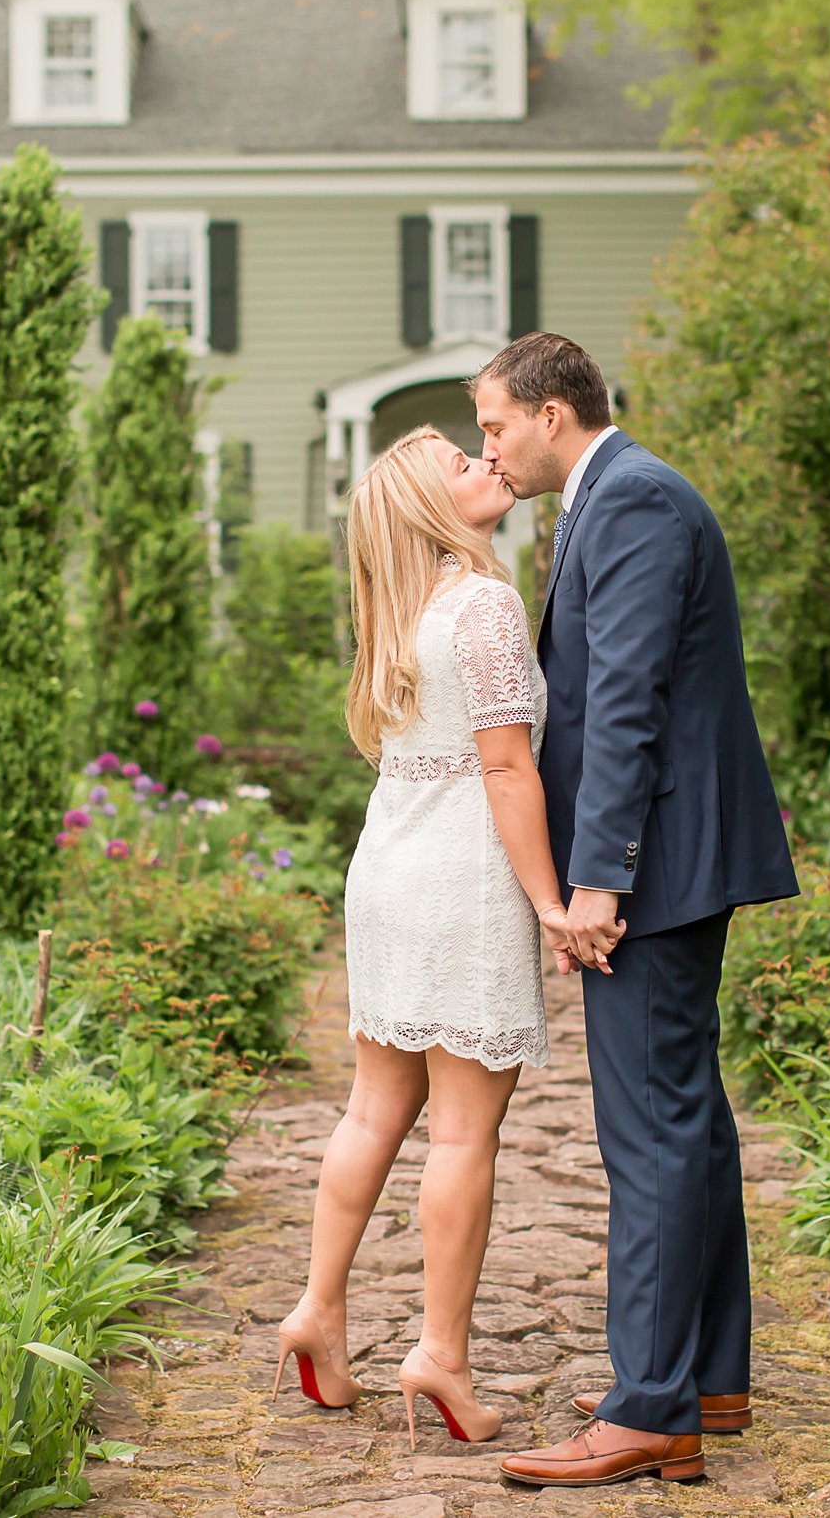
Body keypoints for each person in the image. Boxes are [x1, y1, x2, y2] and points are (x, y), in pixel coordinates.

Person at [474, 332, 798, 1489]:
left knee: (650, 1129)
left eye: (495, 424)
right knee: (687, 1117)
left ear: (552, 413)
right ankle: (707, 1372)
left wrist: (596, 878)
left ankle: (651, 1404)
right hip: (666, 854)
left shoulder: (636, 503)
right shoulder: (612, 497)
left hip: (652, 863)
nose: (489, 446)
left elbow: (625, 702)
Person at [273, 427, 572, 1451]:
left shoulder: (401, 612)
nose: (483, 462)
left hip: (387, 865)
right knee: (458, 1131)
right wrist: (550, 901)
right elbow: (505, 769)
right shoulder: (482, 605)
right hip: (460, 873)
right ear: (427, 507)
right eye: (459, 460)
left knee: (371, 1109)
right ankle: (441, 1351)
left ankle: (318, 1309)